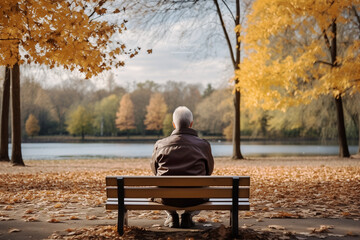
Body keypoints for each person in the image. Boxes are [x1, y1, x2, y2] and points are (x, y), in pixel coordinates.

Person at [151, 106, 214, 228]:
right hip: (196, 198)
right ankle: (188, 215)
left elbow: (155, 171)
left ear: (174, 124)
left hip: (167, 198)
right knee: (204, 186)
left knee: (159, 185)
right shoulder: (203, 145)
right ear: (191, 124)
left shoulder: (160, 144)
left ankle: (172, 216)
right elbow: (209, 171)